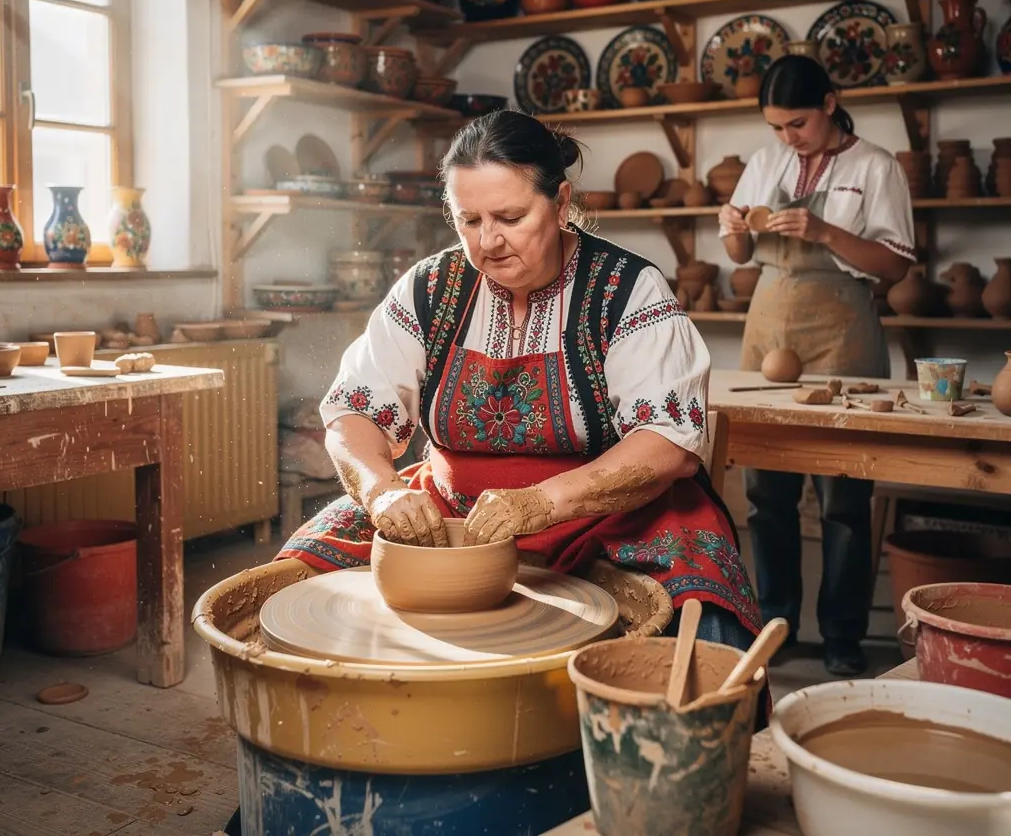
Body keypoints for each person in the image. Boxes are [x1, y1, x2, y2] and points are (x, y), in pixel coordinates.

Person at [277, 109, 762, 655]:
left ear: (560, 204)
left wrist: (541, 502)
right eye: (469, 221)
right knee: (299, 572)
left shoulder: (629, 290)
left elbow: (669, 444)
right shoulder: (429, 288)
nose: (489, 241)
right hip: (451, 508)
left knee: (702, 614)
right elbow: (353, 412)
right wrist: (381, 491)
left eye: (509, 217)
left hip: (607, 514)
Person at [718, 55, 914, 677]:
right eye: (776, 127)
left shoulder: (876, 166)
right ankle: (774, 625)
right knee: (765, 494)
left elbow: (895, 268)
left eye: (796, 123)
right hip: (770, 317)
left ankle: (842, 637)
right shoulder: (765, 161)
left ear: (830, 103)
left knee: (843, 498)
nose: (786, 138)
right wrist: (730, 228)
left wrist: (825, 231)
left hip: (842, 328)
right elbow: (739, 255)